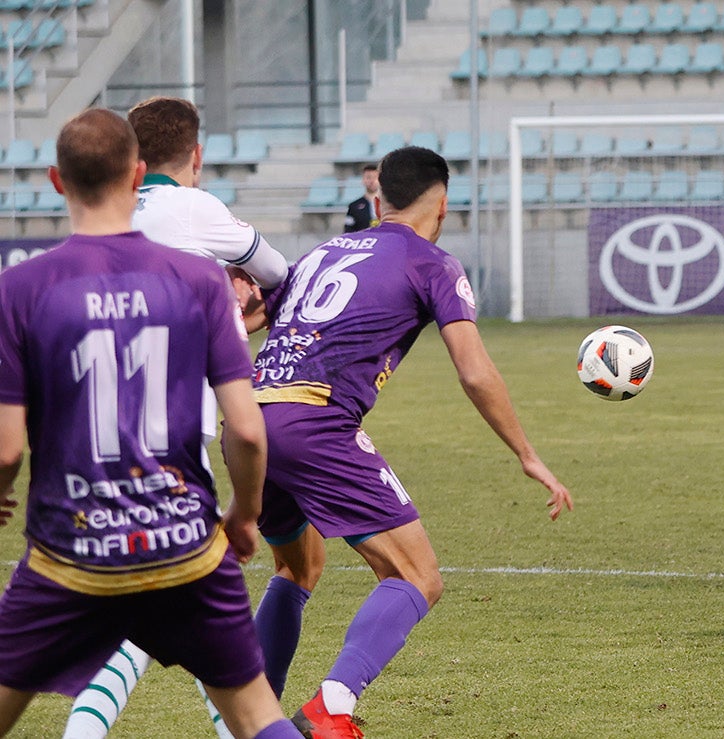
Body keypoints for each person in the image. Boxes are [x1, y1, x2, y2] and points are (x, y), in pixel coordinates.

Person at [249, 146, 574, 737]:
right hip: (314, 424)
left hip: (250, 417)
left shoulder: (322, 251)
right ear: (443, 204)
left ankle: (253, 719)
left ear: (379, 199)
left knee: (297, 568)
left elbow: (250, 317)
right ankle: (332, 707)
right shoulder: (432, 263)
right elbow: (474, 372)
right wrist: (528, 455)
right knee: (418, 576)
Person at [0, 108, 300, 738]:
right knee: (256, 717)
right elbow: (247, 430)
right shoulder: (199, 281)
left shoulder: (21, 288)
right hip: (183, 537)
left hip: (69, 548)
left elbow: (5, 450)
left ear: (56, 181)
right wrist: (243, 516)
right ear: (138, 174)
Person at [342, 164, 379, 233]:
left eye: (375, 177)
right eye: (368, 177)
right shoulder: (354, 206)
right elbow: (348, 229)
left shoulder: (388, 204)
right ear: (363, 180)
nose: (372, 181)